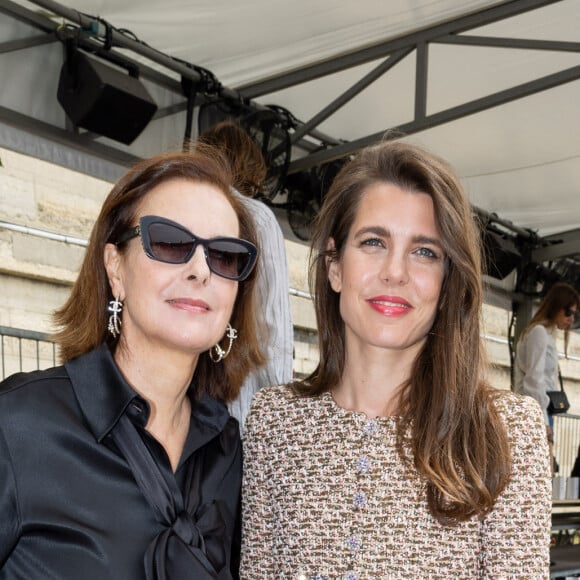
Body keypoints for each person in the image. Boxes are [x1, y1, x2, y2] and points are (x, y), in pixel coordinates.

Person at [241, 140, 552, 578]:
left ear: (447, 283)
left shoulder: (504, 432)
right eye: (373, 242)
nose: (395, 271)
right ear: (334, 265)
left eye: (424, 252)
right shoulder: (275, 422)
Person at [0, 147, 264, 579]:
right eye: (170, 242)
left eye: (224, 255)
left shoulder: (229, 450)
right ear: (115, 268)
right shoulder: (18, 424)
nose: (201, 270)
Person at [198, 120, 293, 431]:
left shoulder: (190, 209)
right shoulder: (258, 217)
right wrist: (281, 411)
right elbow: (273, 321)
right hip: (238, 401)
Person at [514, 281, 579, 451]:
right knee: (539, 470)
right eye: (568, 312)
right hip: (535, 413)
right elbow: (533, 381)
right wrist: (542, 419)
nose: (571, 318)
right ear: (556, 307)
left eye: (574, 314)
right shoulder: (539, 333)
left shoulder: (545, 333)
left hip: (538, 412)